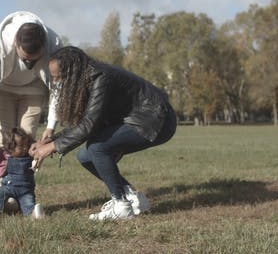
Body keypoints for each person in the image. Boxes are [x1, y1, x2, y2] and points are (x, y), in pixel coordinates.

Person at [30, 46, 177, 221]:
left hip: (157, 120)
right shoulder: (89, 79)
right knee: (85, 156)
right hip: (144, 119)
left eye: (59, 78)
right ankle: (131, 197)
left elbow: (88, 126)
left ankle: (121, 205)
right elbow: (87, 122)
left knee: (97, 147)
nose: (56, 83)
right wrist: (52, 140)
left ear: (73, 72)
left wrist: (52, 147)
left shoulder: (101, 78)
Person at [0, 11, 63, 156]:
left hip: (34, 89)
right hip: (2, 88)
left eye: (34, 60)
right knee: (6, 142)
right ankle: (6, 179)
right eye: (25, 59)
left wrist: (51, 127)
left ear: (44, 47)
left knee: (26, 143)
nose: (29, 64)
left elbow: (58, 87)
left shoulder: (55, 45)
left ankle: (24, 178)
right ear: (15, 42)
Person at [0, 127, 44, 219]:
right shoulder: (4, 154)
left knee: (28, 203)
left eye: (26, 145)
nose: (25, 148)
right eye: (21, 146)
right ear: (10, 148)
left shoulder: (30, 155)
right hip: (8, 187)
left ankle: (34, 213)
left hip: (26, 191)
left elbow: (39, 148)